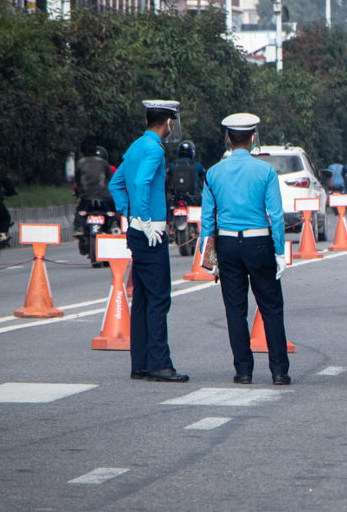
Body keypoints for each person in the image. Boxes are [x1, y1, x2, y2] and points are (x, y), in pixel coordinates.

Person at [201, 113, 291, 386]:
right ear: (253, 139)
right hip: (259, 243)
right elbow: (275, 215)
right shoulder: (265, 171)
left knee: (235, 310)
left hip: (227, 245)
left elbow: (207, 219)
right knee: (271, 307)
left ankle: (243, 371)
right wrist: (279, 253)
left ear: (228, 139)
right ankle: (279, 371)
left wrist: (209, 257)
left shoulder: (213, 172)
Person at [110, 100, 189, 383]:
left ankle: (141, 364)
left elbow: (116, 184)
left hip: (136, 229)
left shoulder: (134, 147)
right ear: (168, 123)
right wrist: (144, 219)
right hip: (150, 232)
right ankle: (159, 364)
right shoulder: (154, 149)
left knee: (143, 299)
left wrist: (128, 213)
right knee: (158, 299)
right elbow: (143, 182)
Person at [74, 137, 114, 237]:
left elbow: (77, 182)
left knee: (80, 212)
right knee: (114, 210)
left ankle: (80, 228)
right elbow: (113, 180)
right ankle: (114, 226)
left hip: (86, 198)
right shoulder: (104, 163)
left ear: (82, 152)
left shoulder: (80, 163)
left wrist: (79, 193)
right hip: (105, 197)